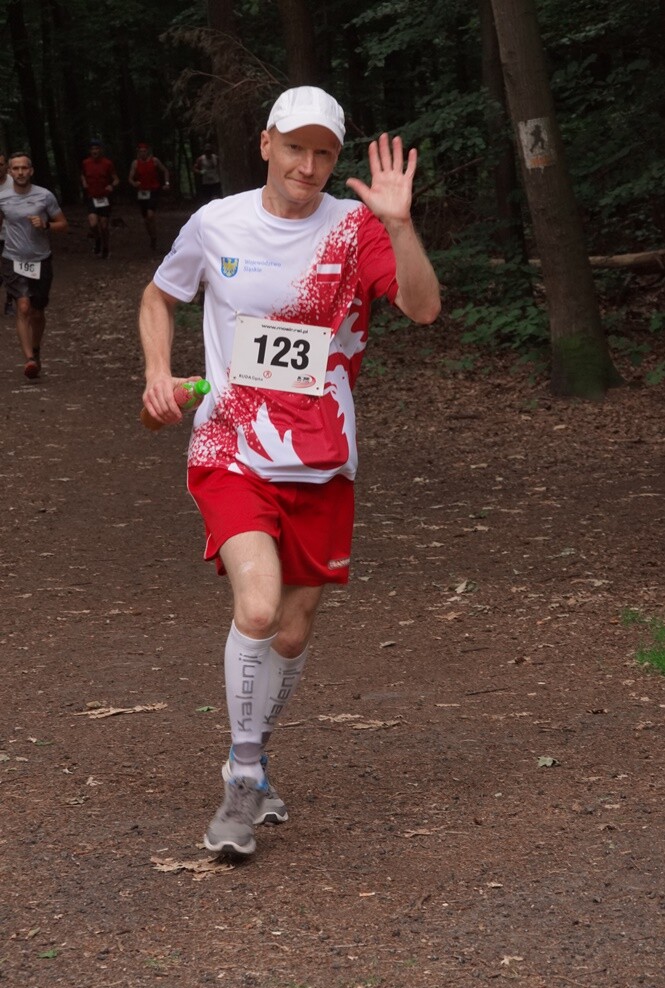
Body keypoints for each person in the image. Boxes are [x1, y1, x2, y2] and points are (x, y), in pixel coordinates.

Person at [139, 86, 441, 860]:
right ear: (267, 143)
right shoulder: (217, 223)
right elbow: (159, 295)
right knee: (260, 604)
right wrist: (157, 371)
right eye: (296, 147)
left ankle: (252, 754)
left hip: (322, 457)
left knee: (296, 629)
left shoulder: (354, 228)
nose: (308, 165)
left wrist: (399, 225)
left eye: (324, 153)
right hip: (231, 447)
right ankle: (242, 778)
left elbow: (422, 307)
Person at [0, 151, 68, 379]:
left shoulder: (44, 196)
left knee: (38, 312)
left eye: (24, 168)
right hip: (13, 258)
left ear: (31, 171)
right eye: (15, 168)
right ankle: (29, 359)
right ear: (10, 172)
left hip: (40, 259)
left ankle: (36, 350)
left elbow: (63, 224)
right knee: (23, 307)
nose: (20, 172)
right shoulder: (2, 198)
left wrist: (46, 224)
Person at [80, 139, 119, 259]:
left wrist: (111, 186)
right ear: (90, 151)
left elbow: (116, 179)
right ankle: (97, 240)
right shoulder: (86, 163)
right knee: (93, 223)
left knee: (104, 225)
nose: (95, 151)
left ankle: (106, 247)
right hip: (92, 196)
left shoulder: (107, 163)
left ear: (101, 150)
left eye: (97, 149)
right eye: (92, 149)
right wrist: (84, 182)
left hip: (104, 197)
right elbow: (82, 175)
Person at [128, 142, 170, 252]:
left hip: (153, 190)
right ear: (138, 152)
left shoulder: (155, 161)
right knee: (146, 219)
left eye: (144, 151)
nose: (143, 153)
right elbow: (130, 178)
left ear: (148, 151)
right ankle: (152, 237)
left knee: (150, 215)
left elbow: (165, 170)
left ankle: (154, 237)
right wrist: (134, 183)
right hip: (142, 192)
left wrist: (166, 183)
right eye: (141, 151)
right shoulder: (135, 163)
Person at [0, 152, 16, 316]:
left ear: (6, 166)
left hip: (12, 233)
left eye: (0, 164)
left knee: (11, 269)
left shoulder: (14, 182)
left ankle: (9, 302)